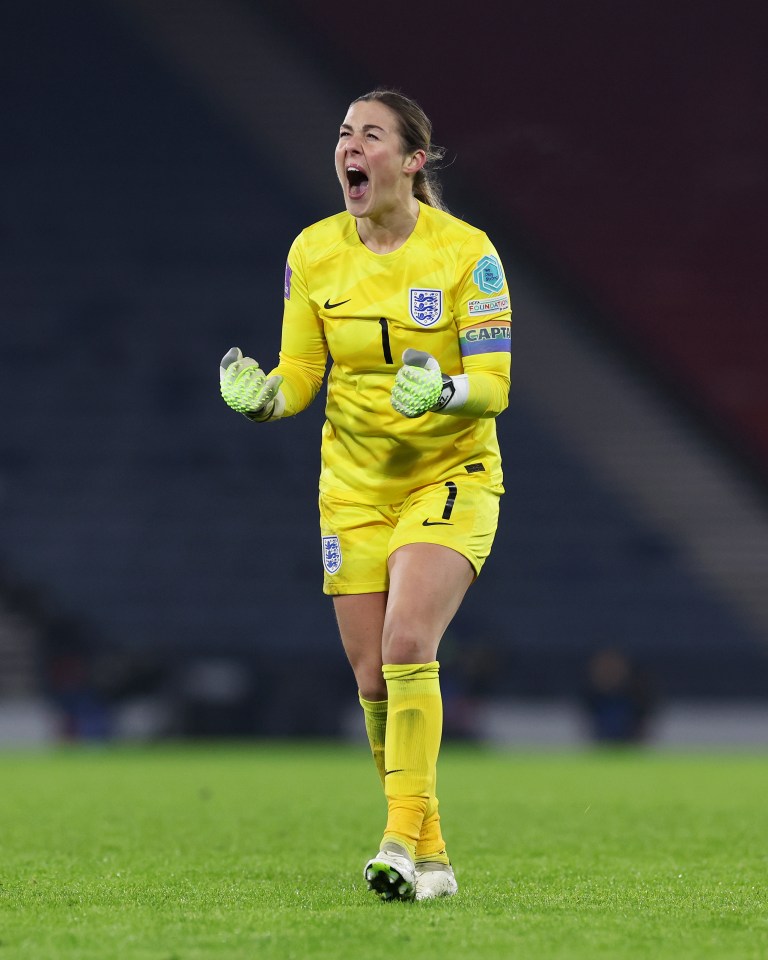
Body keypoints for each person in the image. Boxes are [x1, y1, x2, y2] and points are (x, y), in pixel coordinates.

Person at [219, 88, 512, 901]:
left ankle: (393, 840)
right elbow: (302, 375)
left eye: (371, 135)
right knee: (375, 678)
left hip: (449, 476)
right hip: (350, 491)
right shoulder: (313, 252)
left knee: (408, 640)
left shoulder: (466, 254)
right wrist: (264, 397)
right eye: (345, 134)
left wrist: (443, 395)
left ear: (411, 161)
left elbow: (493, 385)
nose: (351, 146)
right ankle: (435, 858)